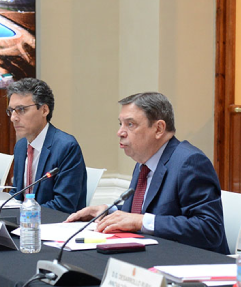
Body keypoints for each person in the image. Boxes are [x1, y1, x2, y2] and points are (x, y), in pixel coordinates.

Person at [66, 92, 229, 254]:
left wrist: (142, 221)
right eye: (120, 124)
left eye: (130, 124)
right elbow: (150, 210)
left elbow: (209, 229)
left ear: (158, 129)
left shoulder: (190, 162)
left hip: (192, 265)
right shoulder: (144, 162)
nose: (120, 132)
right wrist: (108, 212)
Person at [8, 78, 87, 212]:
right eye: (11, 110)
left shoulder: (66, 147)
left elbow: (63, 206)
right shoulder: (21, 146)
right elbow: (17, 194)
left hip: (56, 227)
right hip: (26, 225)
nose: (13, 118)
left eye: (21, 110)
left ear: (44, 110)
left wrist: (22, 215)